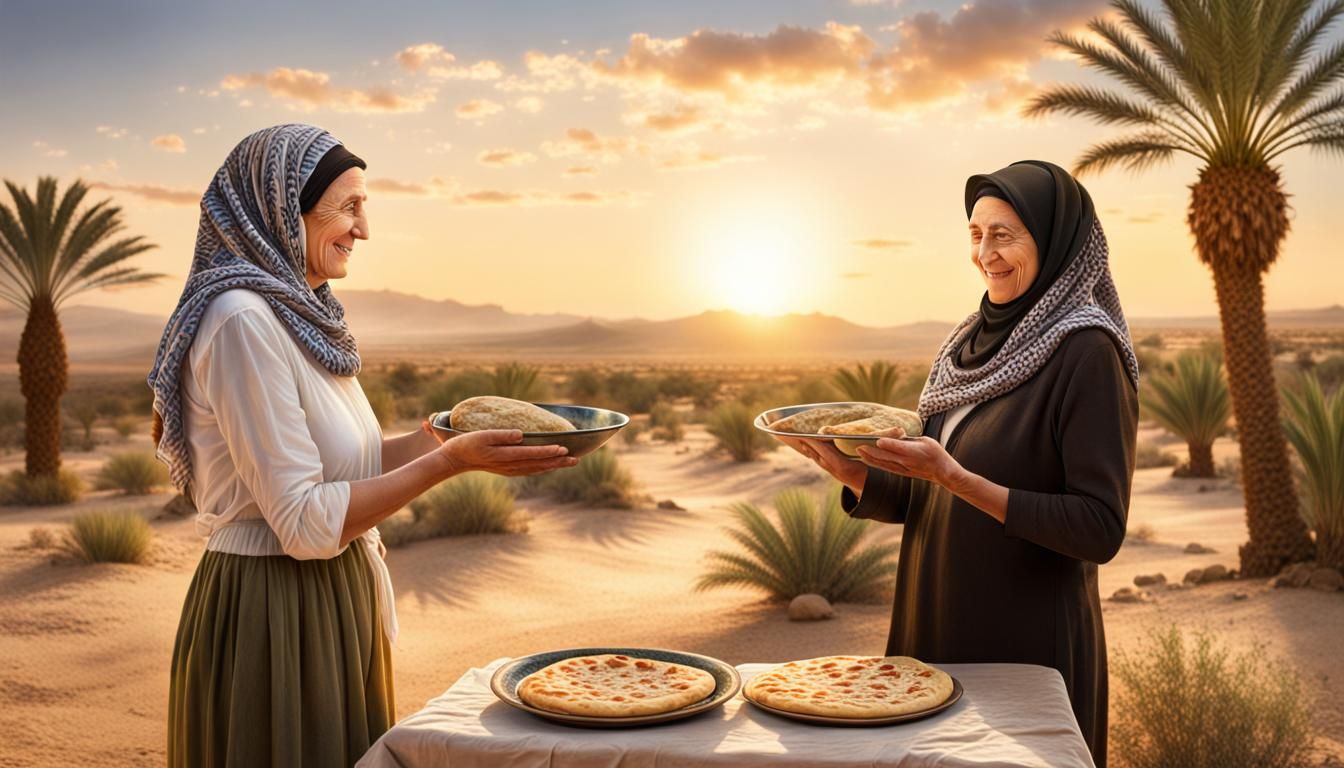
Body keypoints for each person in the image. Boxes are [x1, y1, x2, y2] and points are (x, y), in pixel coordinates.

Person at [148, 123, 577, 767]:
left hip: (333, 598)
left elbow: (357, 463)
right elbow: (301, 520)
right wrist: (448, 464)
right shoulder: (242, 320)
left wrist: (448, 438)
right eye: (348, 207)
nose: (364, 229)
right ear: (282, 212)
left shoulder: (300, 314)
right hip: (273, 614)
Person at [777, 160, 1138, 767]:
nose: (986, 253)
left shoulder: (1087, 352)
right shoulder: (966, 344)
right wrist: (857, 475)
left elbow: (1099, 528)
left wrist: (955, 477)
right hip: (932, 622)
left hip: (1026, 646)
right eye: (976, 233)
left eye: (1005, 234)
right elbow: (932, 495)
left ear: (1054, 242)